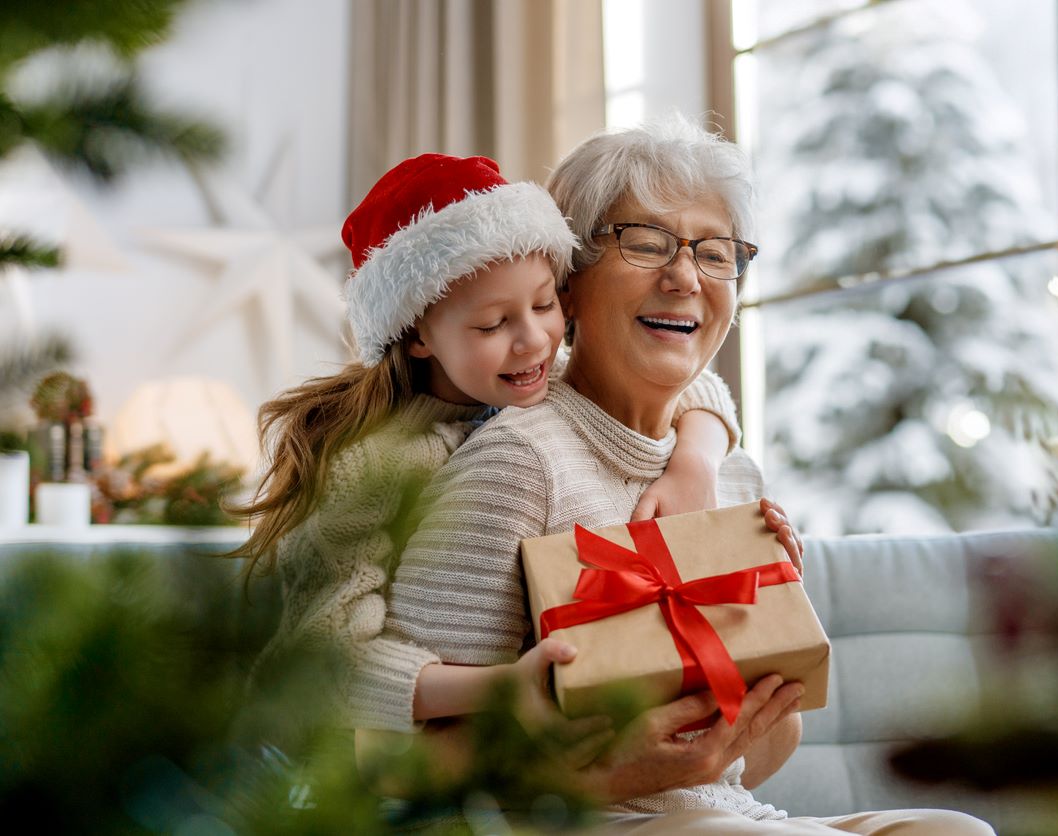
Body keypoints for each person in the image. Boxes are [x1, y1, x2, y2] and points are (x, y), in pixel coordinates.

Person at [361, 119, 996, 834]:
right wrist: (608, 771)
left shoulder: (727, 470)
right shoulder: (516, 460)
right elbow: (389, 762)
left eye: (715, 252)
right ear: (568, 281)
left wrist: (767, 639)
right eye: (646, 241)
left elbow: (752, 758)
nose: (686, 276)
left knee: (955, 830)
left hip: (726, 815)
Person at [233, 153, 796, 739]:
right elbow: (325, 663)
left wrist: (695, 460)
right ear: (418, 334)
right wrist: (507, 686)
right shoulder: (371, 464)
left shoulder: (530, 384)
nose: (533, 342)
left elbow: (694, 383)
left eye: (544, 305)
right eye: (493, 324)